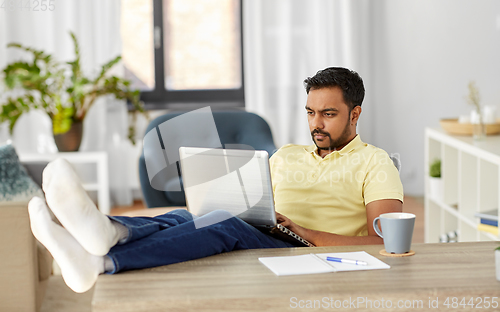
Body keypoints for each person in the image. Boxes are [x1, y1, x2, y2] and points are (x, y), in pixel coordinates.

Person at [28, 67, 403, 293]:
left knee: (222, 224)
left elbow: (384, 242)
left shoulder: (375, 162)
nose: (316, 124)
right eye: (310, 112)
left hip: (304, 249)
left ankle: (104, 261)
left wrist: (305, 232)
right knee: (185, 217)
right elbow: (259, 203)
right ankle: (108, 234)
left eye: (328, 114)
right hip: (272, 232)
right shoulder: (288, 153)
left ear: (355, 114)